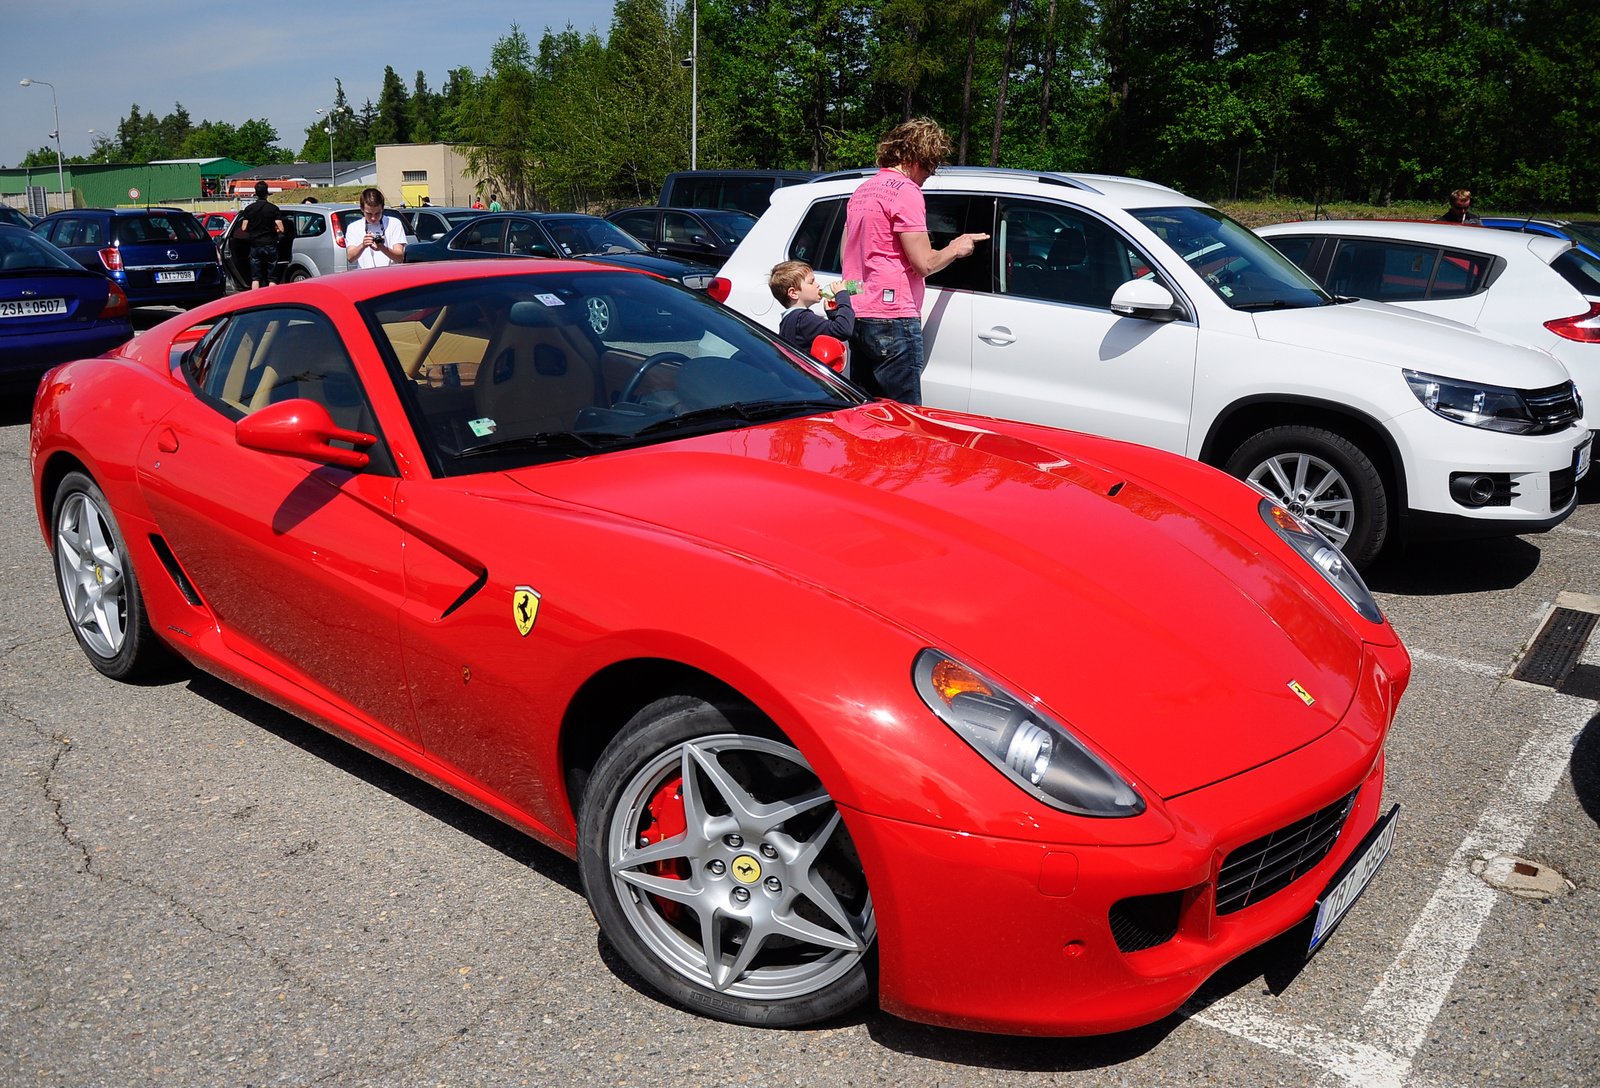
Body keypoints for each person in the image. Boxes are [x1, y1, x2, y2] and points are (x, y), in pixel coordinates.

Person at [841, 118, 988, 404]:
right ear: (916, 156)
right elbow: (925, 264)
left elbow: (848, 253)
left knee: (867, 413)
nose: (928, 175)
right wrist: (956, 247)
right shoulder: (905, 191)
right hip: (893, 318)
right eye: (930, 166)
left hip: (858, 313)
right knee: (902, 418)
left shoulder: (862, 190)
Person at [770, 260, 855, 354]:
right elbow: (843, 330)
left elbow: (832, 332)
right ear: (793, 293)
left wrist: (833, 313)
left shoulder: (789, 319)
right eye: (811, 282)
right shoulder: (803, 319)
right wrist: (842, 296)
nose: (817, 285)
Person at [236, 181, 286, 290]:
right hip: (270, 243)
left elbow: (244, 228)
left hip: (255, 244)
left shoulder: (249, 209)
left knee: (255, 277)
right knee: (272, 276)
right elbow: (281, 229)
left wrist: (254, 231)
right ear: (267, 193)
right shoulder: (273, 209)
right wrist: (273, 232)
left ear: (256, 193)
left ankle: (256, 299)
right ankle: (272, 297)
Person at [345, 187, 407, 269]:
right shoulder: (353, 227)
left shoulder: (394, 223)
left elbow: (399, 257)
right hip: (365, 277)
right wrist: (363, 245)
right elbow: (350, 258)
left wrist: (382, 248)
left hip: (390, 275)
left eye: (377, 213)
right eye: (369, 214)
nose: (373, 218)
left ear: (383, 208)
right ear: (362, 208)